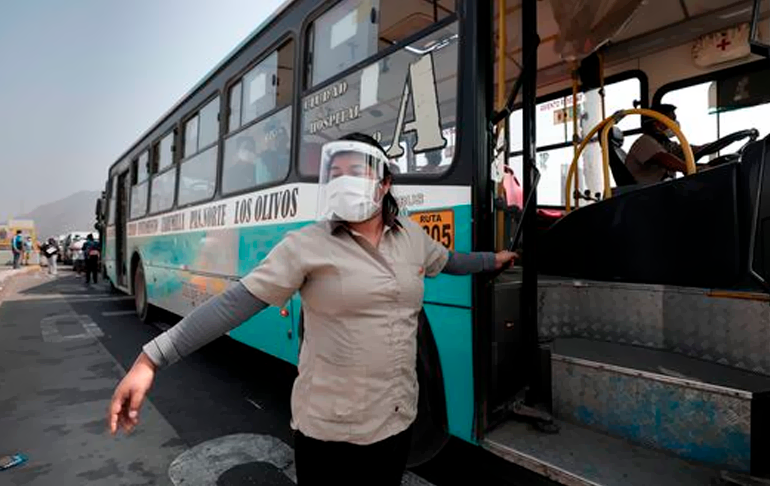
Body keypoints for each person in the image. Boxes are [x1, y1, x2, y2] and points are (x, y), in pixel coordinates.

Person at [108, 133, 517, 486]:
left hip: (395, 423)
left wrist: (491, 260)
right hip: (329, 434)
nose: (343, 180)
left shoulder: (409, 237)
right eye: (335, 172)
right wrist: (152, 359)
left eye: (355, 170)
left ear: (384, 182)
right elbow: (234, 304)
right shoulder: (307, 245)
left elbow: (448, 260)